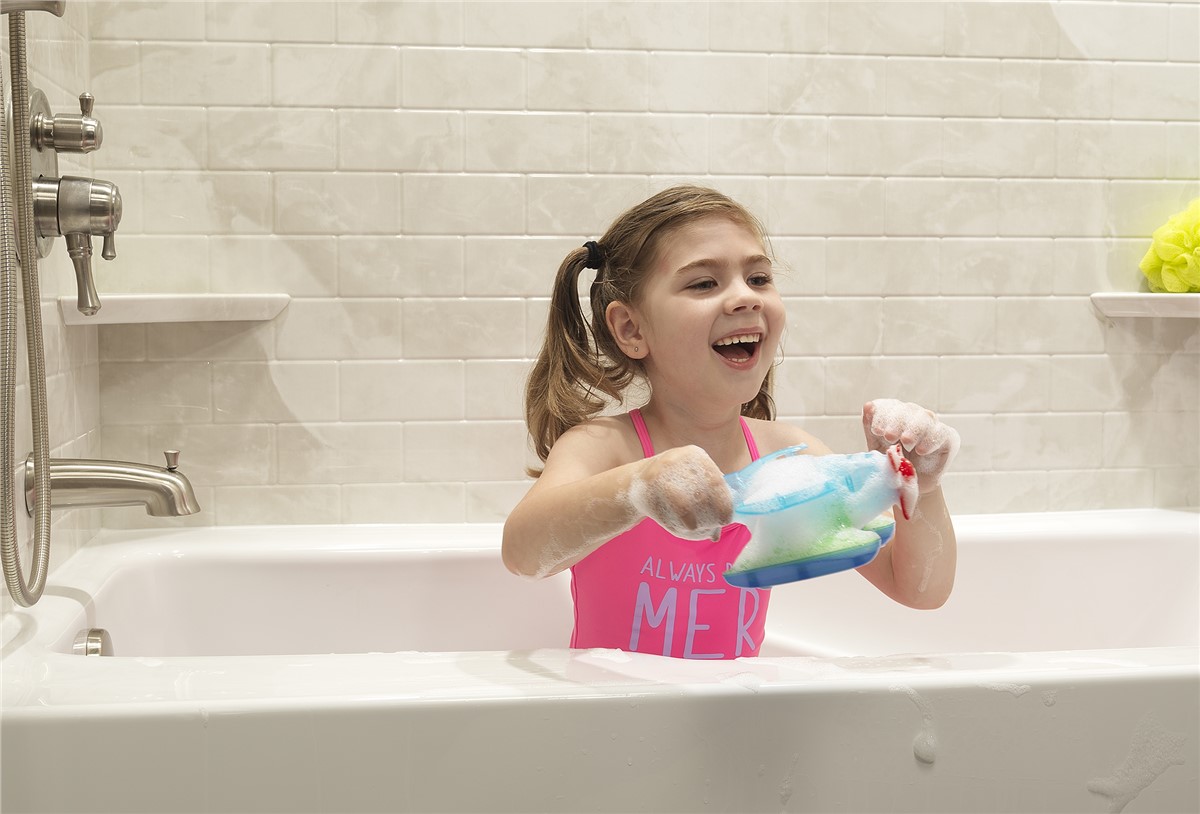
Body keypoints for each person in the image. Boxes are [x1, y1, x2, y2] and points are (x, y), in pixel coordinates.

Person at [502, 185, 959, 660]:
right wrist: (637, 487)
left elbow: (918, 588)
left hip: (734, 722)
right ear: (631, 330)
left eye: (759, 277)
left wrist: (922, 487)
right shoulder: (604, 448)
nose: (746, 297)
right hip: (615, 719)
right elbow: (524, 555)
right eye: (703, 283)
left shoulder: (790, 457)